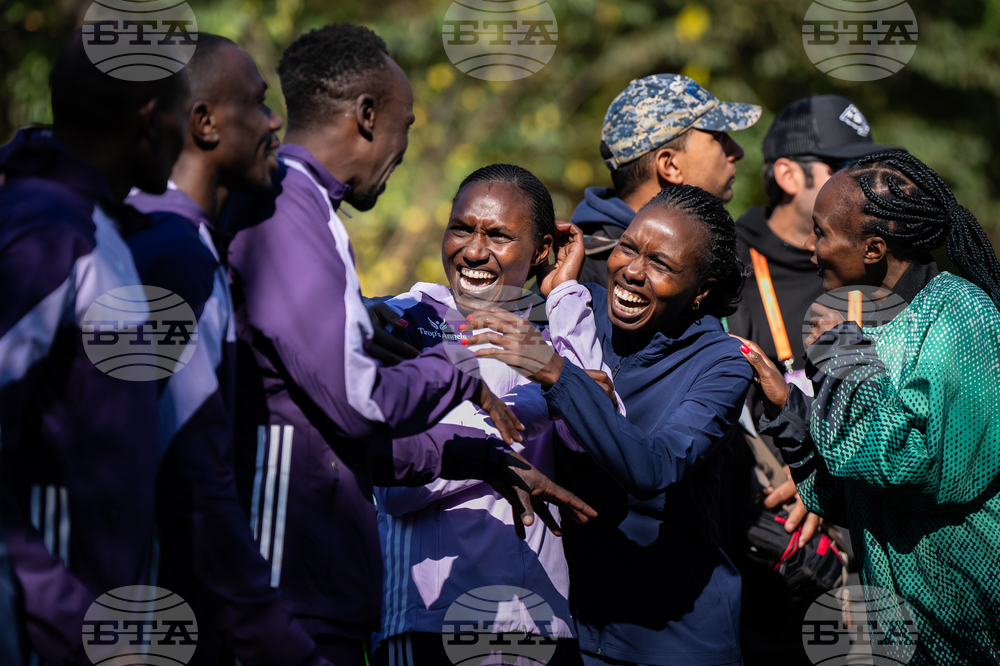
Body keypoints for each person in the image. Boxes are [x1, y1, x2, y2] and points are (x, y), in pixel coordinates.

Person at [222, 24, 594, 665]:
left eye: (500, 237)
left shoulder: (315, 217)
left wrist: (482, 455)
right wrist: (460, 361)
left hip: (500, 619)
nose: (403, 146)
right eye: (407, 124)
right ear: (368, 117)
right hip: (306, 594)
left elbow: (597, 424)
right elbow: (363, 408)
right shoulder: (295, 216)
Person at [466, 185, 754, 665]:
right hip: (577, 636)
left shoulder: (722, 364)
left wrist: (558, 373)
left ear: (702, 290)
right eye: (628, 247)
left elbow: (653, 468)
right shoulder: (581, 309)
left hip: (675, 643)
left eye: (661, 265)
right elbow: (470, 283)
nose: (633, 272)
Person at [737, 150, 1000, 664]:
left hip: (971, 623)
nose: (811, 249)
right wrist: (789, 409)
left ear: (874, 247)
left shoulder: (959, 312)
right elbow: (852, 495)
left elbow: (918, 468)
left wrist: (840, 355)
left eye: (822, 233)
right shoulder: (881, 327)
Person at [126, 35, 329, 666]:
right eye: (257, 104)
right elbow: (196, 478)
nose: (275, 122)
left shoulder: (154, 235)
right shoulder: (176, 256)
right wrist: (274, 641)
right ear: (205, 122)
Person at [372, 164, 618, 665]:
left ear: (541, 251)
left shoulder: (550, 335)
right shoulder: (401, 320)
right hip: (429, 622)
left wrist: (567, 294)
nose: (474, 250)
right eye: (462, 228)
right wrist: (538, 407)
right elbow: (395, 486)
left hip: (541, 622)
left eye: (499, 235)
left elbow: (601, 440)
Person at [0, 32, 189, 663]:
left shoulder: (99, 226)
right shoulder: (50, 235)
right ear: (148, 119)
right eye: (180, 115)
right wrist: (70, 615)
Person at [723, 95, 889, 666]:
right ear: (791, 175)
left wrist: (829, 481)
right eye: (844, 168)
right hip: (769, 559)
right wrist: (801, 474)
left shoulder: (886, 262)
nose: (864, 184)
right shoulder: (728, 265)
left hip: (876, 550)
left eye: (868, 168)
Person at [571, 74, 761, 284]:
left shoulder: (715, 258)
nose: (738, 151)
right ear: (670, 165)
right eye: (719, 137)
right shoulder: (578, 283)